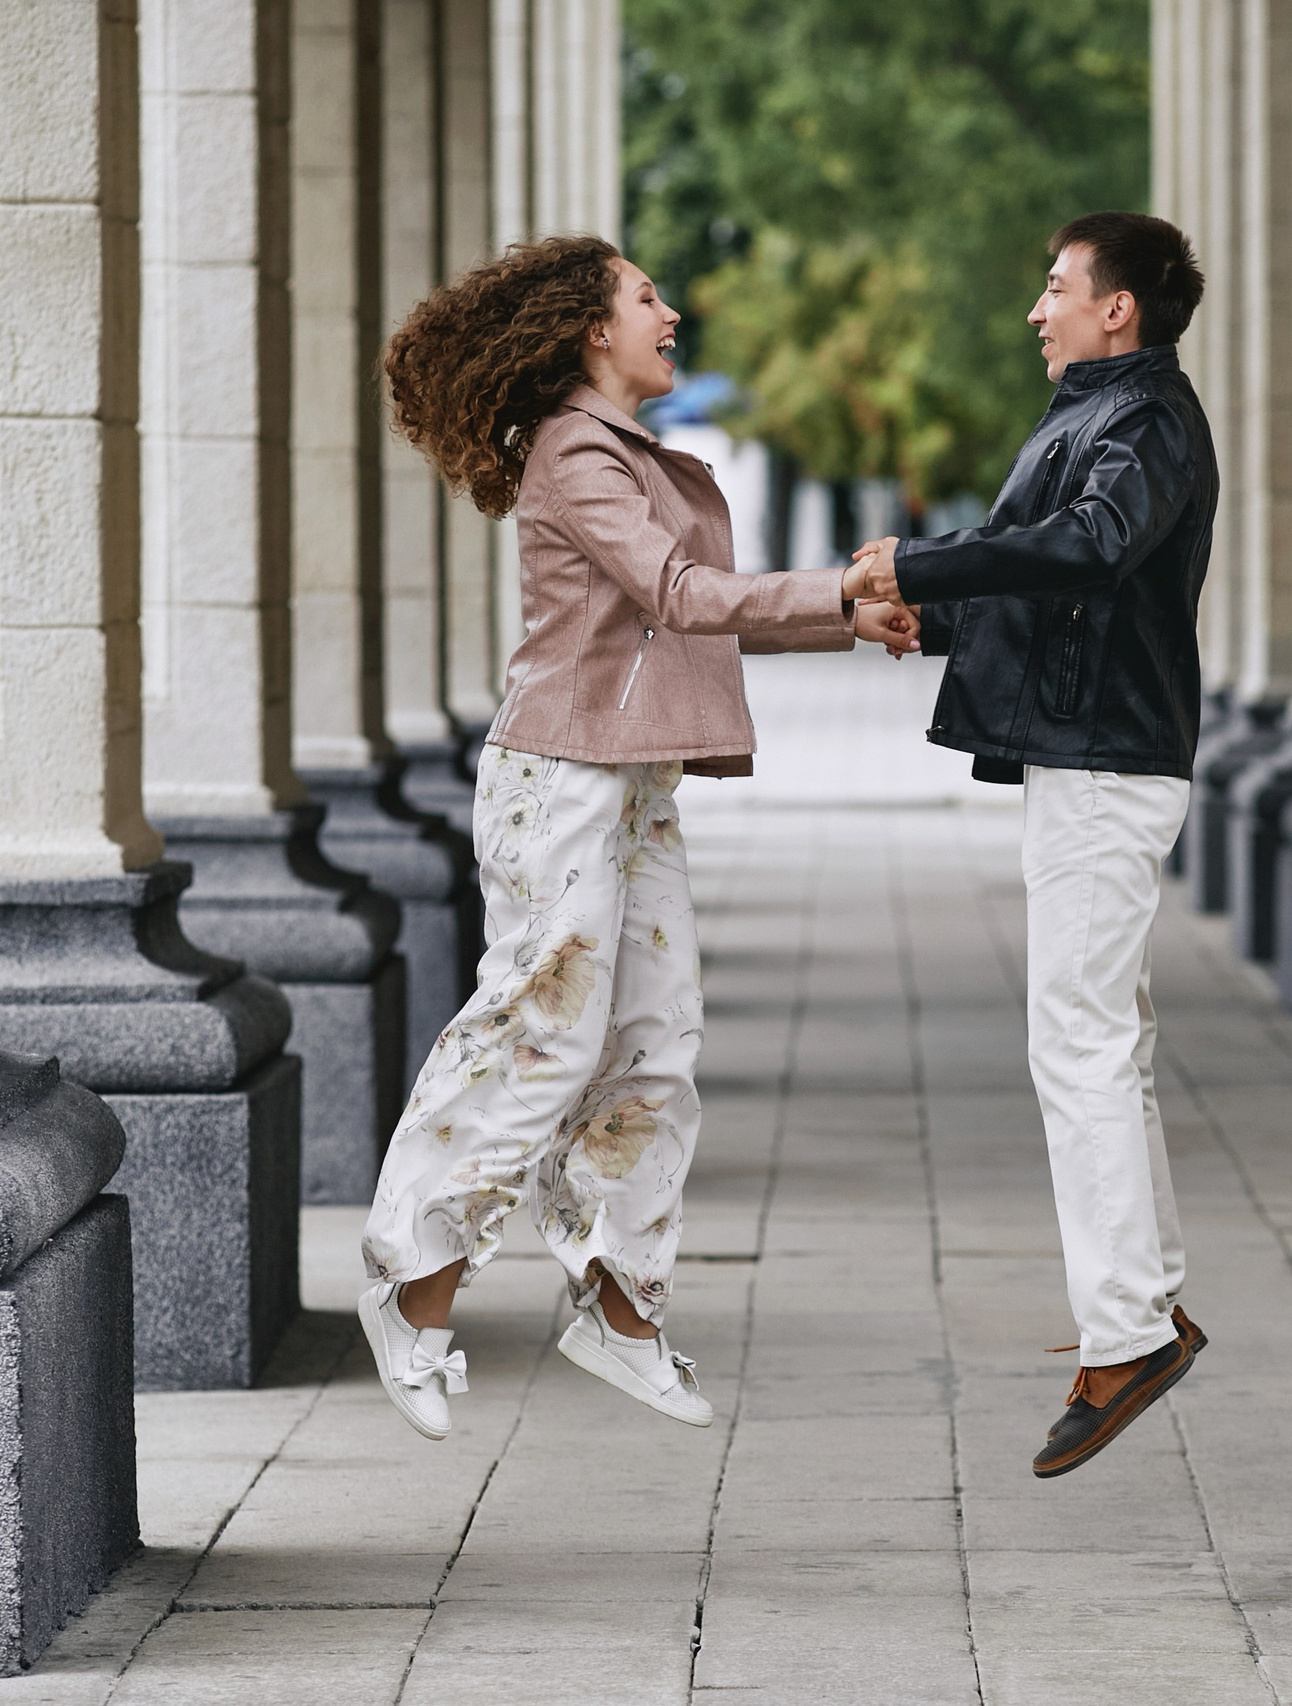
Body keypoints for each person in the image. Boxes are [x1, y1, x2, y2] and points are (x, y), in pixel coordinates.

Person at [358, 235, 917, 1439]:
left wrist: (849, 624)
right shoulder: (573, 451)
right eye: (646, 297)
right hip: (557, 775)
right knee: (542, 1030)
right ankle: (415, 1281)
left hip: (631, 781)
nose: (671, 313)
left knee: (658, 1040)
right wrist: (837, 587)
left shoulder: (626, 456)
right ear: (587, 331)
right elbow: (677, 593)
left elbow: (683, 620)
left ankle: (619, 1305)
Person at [849, 212, 1217, 1476]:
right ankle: (1148, 1305)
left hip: (1108, 766)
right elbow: (1066, 587)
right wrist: (934, 619)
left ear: (1118, 308)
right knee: (1104, 1036)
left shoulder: (1144, 419)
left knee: (1080, 1043)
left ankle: (1123, 1334)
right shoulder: (1104, 410)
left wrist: (925, 563)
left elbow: (1091, 546)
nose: (1035, 307)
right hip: (1093, 756)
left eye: (1055, 286)